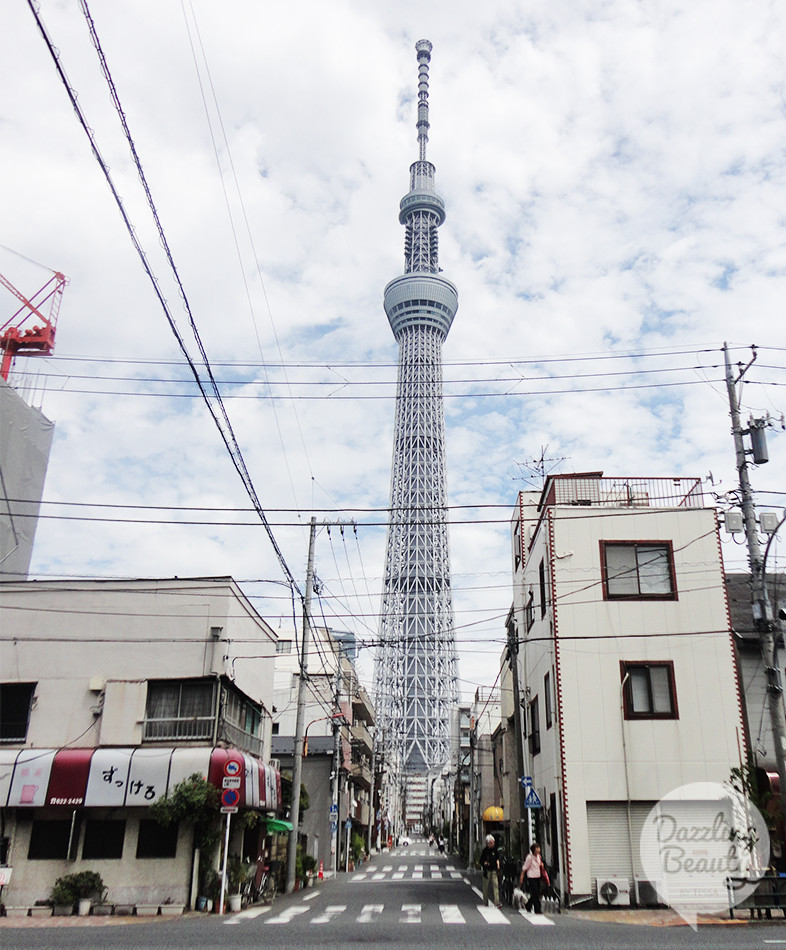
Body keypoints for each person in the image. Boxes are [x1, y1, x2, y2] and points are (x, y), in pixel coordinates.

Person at [519, 842, 546, 913]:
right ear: (533, 850)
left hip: (538, 876)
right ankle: (537, 909)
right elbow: (524, 868)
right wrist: (522, 876)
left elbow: (540, 865)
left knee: (536, 893)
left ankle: (528, 905)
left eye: (539, 848)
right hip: (531, 877)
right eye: (537, 848)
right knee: (535, 893)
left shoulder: (539, 857)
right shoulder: (529, 857)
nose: (538, 850)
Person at [480, 834, 501, 907]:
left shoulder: (495, 850)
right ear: (487, 843)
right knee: (486, 887)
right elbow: (481, 861)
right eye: (491, 843)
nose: (492, 844)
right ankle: (485, 901)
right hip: (487, 871)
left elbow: (497, 858)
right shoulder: (485, 851)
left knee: (496, 885)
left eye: (493, 842)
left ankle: (497, 901)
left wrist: (498, 865)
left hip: (494, 870)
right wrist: (484, 863)